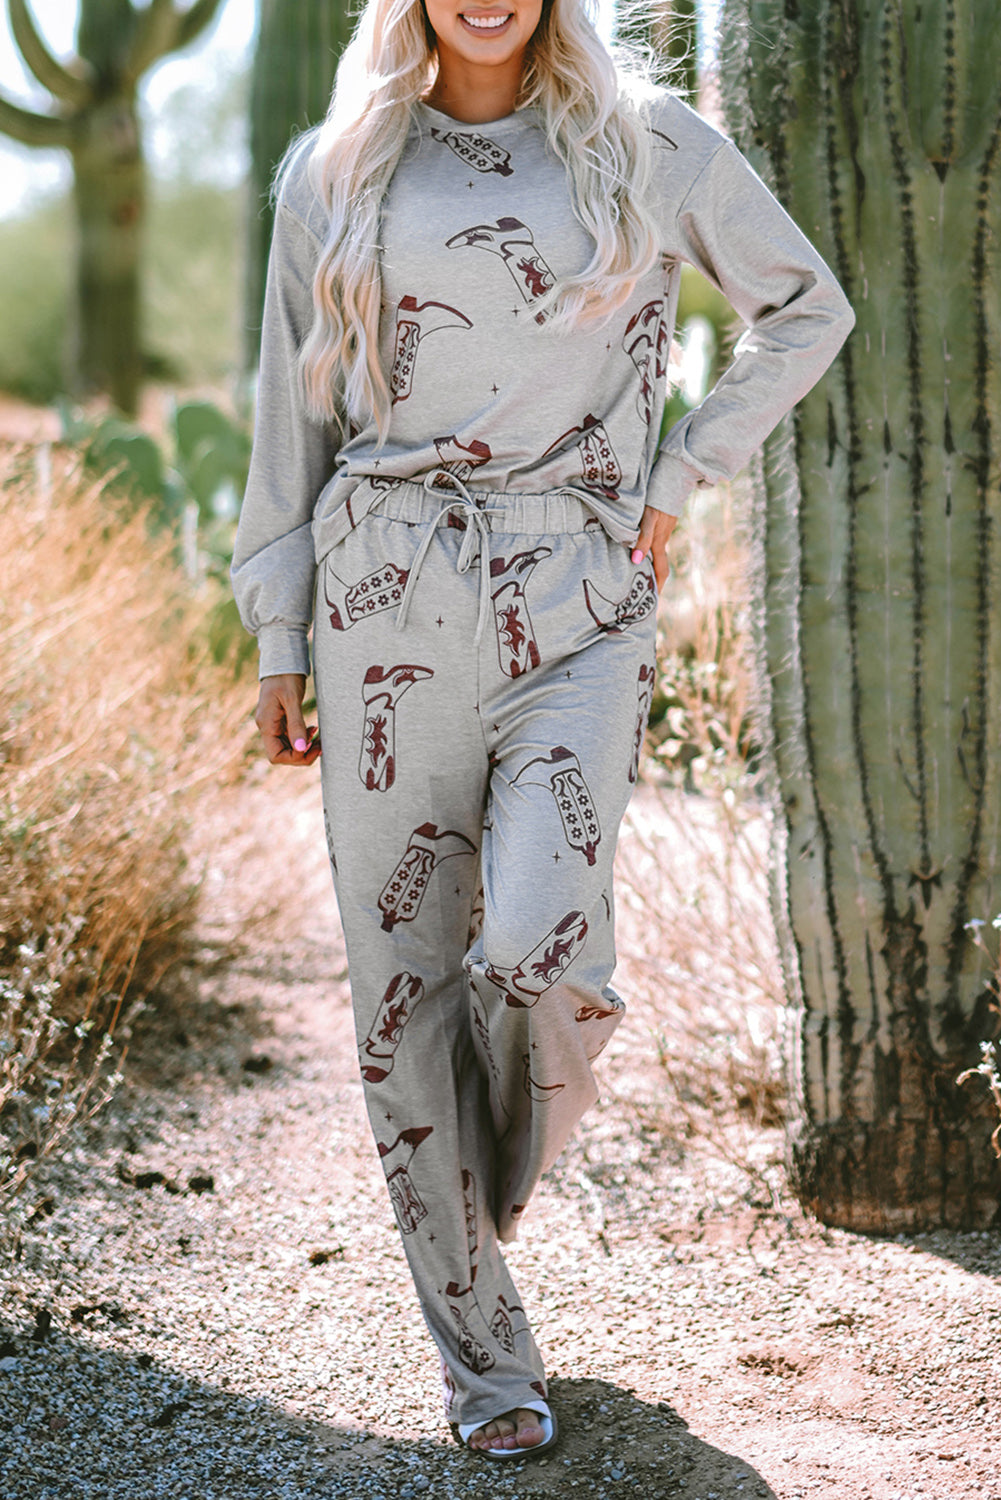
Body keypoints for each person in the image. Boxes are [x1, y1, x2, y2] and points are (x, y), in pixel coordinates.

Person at [231, 0, 854, 1461]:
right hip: (382, 595)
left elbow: (805, 308)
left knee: (543, 953)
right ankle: (484, 1361)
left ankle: (471, 1192)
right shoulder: (338, 165)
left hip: (576, 594)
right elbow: (287, 414)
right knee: (401, 1003)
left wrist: (682, 471)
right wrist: (276, 628)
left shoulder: (648, 146)